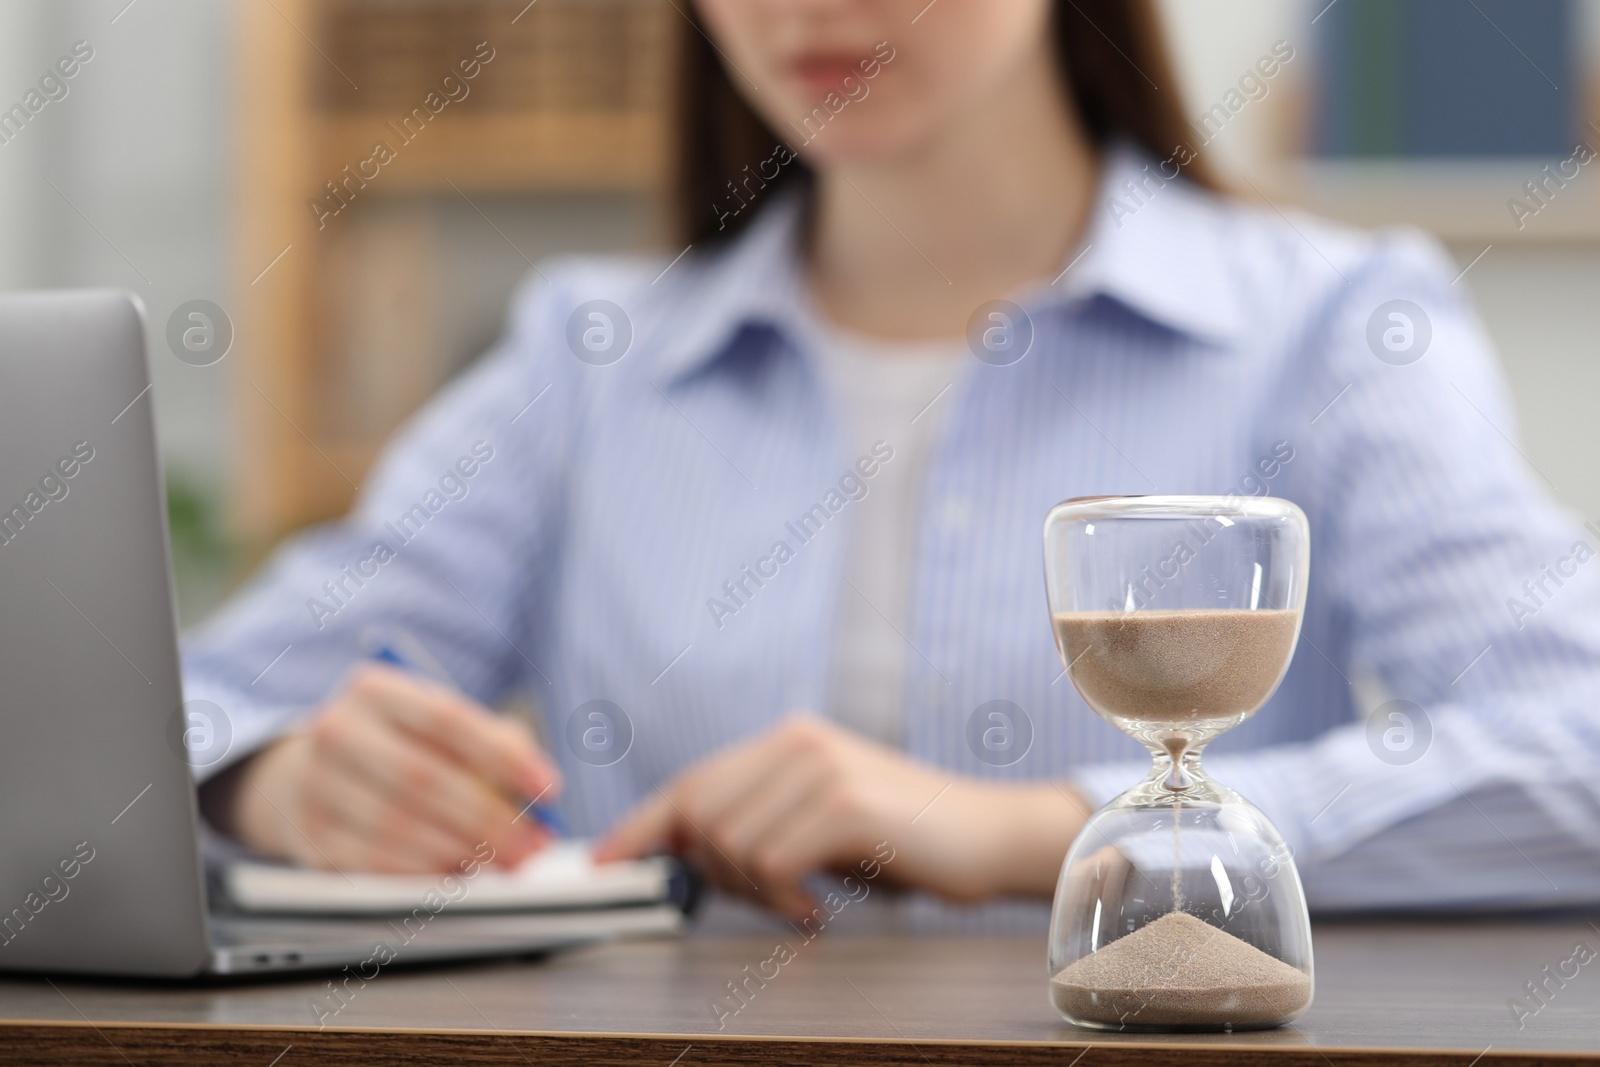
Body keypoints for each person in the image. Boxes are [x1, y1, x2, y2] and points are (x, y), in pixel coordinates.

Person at [190, 0, 1600, 927]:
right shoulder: (585, 362)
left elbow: (1577, 743)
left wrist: (1052, 830)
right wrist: (270, 782)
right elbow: (182, 713)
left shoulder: (1334, 335)